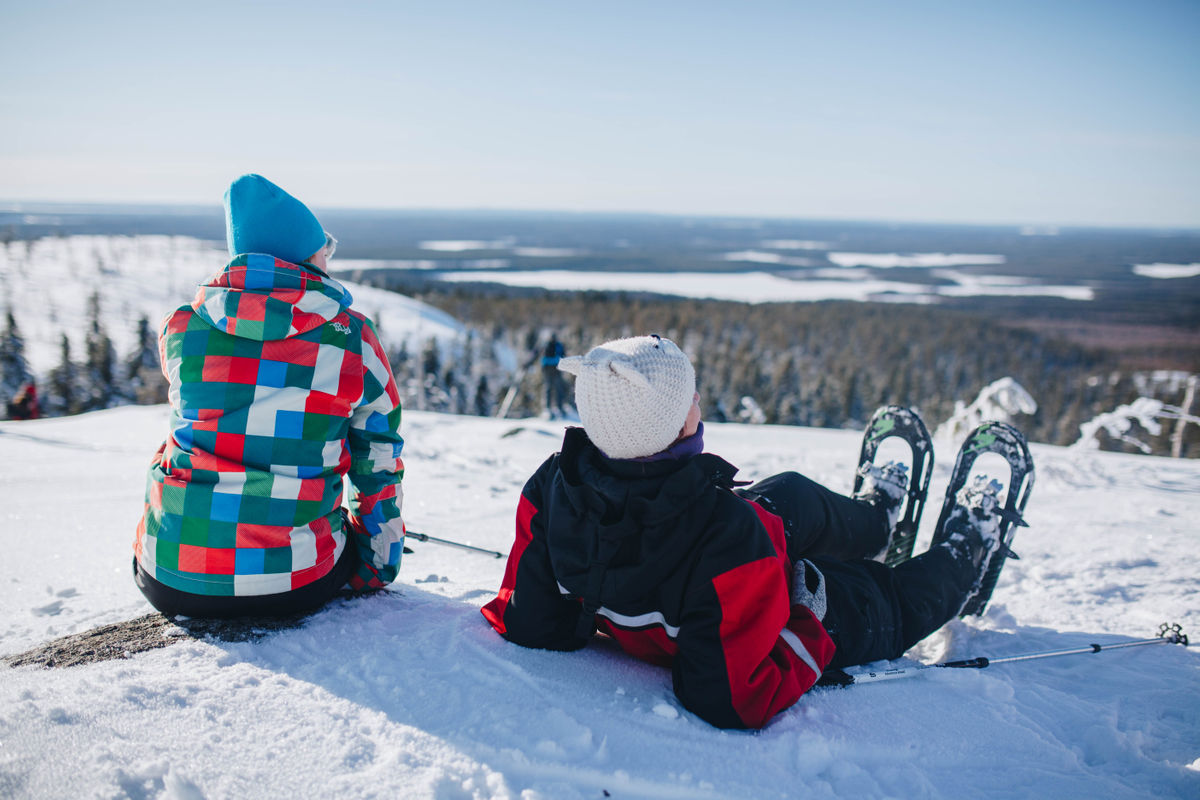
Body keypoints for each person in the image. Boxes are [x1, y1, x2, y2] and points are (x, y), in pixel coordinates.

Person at [481, 335, 1004, 729]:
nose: (698, 399)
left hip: (701, 531)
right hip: (770, 600)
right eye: (690, 397)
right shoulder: (729, 534)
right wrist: (807, 617)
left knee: (792, 493)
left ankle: (876, 521)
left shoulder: (556, 482)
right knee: (884, 597)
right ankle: (966, 553)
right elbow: (730, 696)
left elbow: (530, 619)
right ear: (680, 426)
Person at [133, 174, 406, 618]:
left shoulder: (181, 327)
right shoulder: (351, 339)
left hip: (168, 577)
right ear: (306, 255)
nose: (329, 258)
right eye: (325, 249)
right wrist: (376, 565)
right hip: (291, 581)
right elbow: (377, 459)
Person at [541, 333, 570, 419]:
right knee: (558, 389)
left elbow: (542, 357)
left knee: (549, 388)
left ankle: (548, 408)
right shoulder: (559, 345)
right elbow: (564, 356)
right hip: (557, 369)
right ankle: (558, 407)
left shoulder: (546, 345)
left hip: (548, 369)